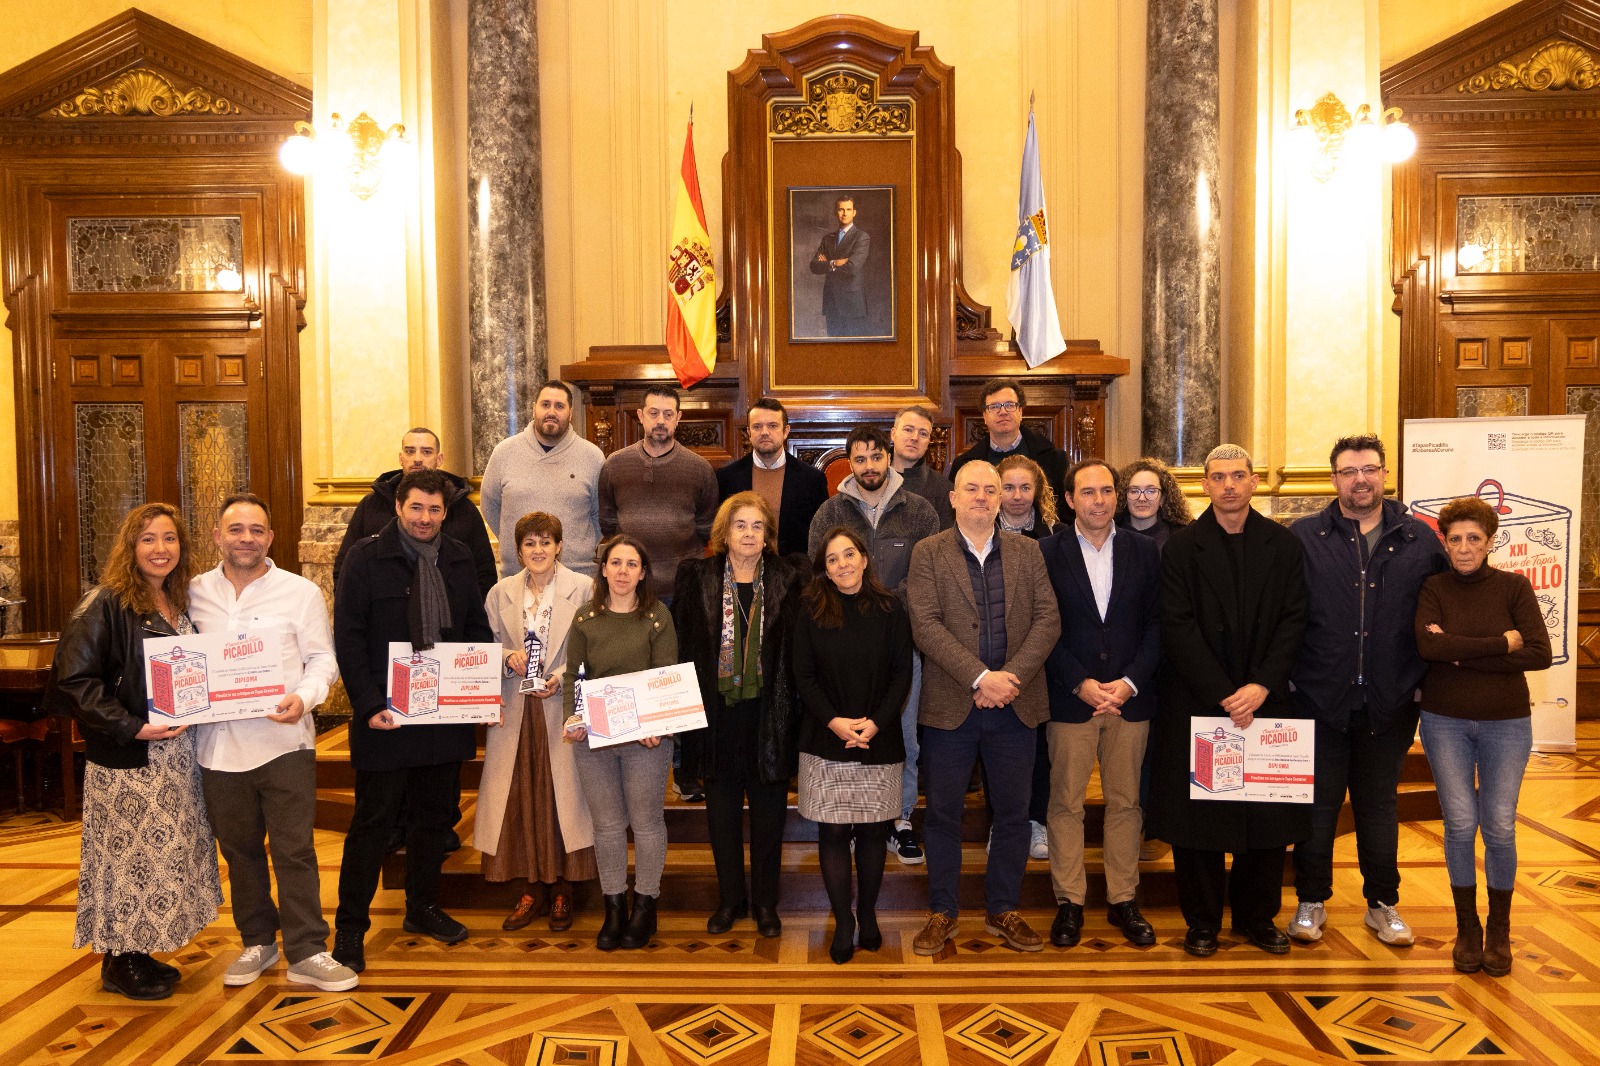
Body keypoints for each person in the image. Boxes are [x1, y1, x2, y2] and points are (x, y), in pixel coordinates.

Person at [45, 502, 222, 1000]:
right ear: (130, 546)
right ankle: (120, 961)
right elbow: (74, 682)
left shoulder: (177, 601)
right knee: (127, 860)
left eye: (169, 538)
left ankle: (138, 953)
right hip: (130, 757)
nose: (160, 549)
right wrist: (133, 727)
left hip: (176, 756)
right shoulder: (105, 602)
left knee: (163, 857)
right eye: (148, 539)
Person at [1146, 444, 1309, 958]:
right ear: (1205, 486)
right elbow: (1176, 626)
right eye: (1219, 477)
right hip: (1201, 701)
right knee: (1201, 819)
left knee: (1266, 815)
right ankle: (1202, 923)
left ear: (1254, 482)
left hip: (1266, 703)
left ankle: (1257, 918)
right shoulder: (1181, 548)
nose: (1230, 485)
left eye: (1239, 476)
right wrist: (1224, 693)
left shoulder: (1283, 545)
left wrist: (1261, 685)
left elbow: (1295, 620)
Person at [332, 469, 496, 973]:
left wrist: (478, 692)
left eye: (435, 509)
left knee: (435, 817)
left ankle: (422, 907)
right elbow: (348, 637)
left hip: (443, 714)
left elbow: (475, 630)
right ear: (399, 507)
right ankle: (351, 928)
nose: (426, 518)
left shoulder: (458, 557)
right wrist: (368, 705)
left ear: (446, 513)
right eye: (417, 508)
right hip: (386, 717)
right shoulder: (366, 558)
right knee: (373, 824)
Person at [189, 494, 355, 991]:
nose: (246, 538)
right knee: (239, 852)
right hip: (217, 747)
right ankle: (258, 942)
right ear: (218, 537)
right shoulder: (194, 592)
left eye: (256, 530)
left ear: (271, 538)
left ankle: (307, 950)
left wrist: (305, 698)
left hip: (284, 743)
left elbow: (323, 659)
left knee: (294, 850)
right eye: (236, 529)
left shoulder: (300, 592)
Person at [1287, 435, 1445, 948]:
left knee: (1378, 805)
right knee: (1318, 808)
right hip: (1319, 698)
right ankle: (1311, 900)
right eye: (1349, 471)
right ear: (1334, 479)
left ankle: (1382, 904)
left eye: (1370, 469)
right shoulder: (1305, 536)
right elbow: (1283, 613)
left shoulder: (1420, 540)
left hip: (1390, 700)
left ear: (1384, 475)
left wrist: (1423, 681)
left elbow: (1441, 615)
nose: (1361, 479)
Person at [906, 461, 1061, 954]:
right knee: (943, 814)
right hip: (951, 706)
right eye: (970, 489)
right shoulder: (928, 552)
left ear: (1000, 499)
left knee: (1013, 814)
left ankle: (1003, 909)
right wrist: (980, 677)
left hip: (1015, 704)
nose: (981, 497)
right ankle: (943, 911)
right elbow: (925, 625)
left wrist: (1008, 679)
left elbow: (1048, 620)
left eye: (989, 490)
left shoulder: (1028, 551)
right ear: (952, 498)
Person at [1415, 495, 1551, 977]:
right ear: (1445, 543)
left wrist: (1458, 653)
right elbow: (1428, 646)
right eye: (1455, 539)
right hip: (1444, 721)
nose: (1465, 547)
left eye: (1474, 538)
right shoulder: (1433, 586)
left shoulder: (1514, 587)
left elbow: (1538, 653)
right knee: (1458, 824)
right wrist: (1500, 645)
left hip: (1506, 724)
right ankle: (1467, 928)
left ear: (1491, 541)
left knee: (1498, 826)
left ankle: (1499, 930)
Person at [1038, 461, 1162, 948]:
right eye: (1088, 492)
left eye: (1107, 491)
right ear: (1070, 499)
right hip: (1072, 699)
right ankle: (1069, 901)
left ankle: (1122, 898)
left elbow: (1158, 623)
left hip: (1129, 700)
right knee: (1066, 802)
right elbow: (1039, 626)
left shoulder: (1143, 550)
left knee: (1126, 802)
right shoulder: (1046, 552)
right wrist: (1079, 682)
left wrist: (1129, 682)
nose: (1099, 500)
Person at [673, 493, 808, 937]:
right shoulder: (697, 576)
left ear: (768, 535)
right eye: (740, 525)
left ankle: (766, 904)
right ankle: (730, 900)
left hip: (772, 715)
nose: (748, 534)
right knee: (722, 820)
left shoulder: (790, 577)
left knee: (770, 819)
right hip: (717, 719)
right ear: (724, 532)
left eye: (757, 526)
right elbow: (681, 647)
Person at [808, 424, 939, 865]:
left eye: (876, 456)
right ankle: (851, 818)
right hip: (842, 644)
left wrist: (886, 609)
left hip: (901, 642)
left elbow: (928, 576)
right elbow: (818, 573)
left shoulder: (918, 510)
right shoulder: (829, 512)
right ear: (849, 463)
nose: (869, 466)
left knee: (903, 736)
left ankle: (899, 819)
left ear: (889, 456)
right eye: (859, 459)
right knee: (849, 731)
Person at [794, 527, 913, 963]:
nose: (842, 564)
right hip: (826, 738)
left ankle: (868, 913)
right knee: (833, 831)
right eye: (832, 559)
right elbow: (803, 675)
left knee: (873, 830)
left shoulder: (891, 608)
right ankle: (844, 920)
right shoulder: (810, 610)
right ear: (824, 570)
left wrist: (875, 724)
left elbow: (902, 673)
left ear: (864, 559)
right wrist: (836, 722)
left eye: (849, 555)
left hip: (878, 738)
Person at [478, 511, 597, 932]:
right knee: (521, 798)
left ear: (559, 546)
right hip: (517, 708)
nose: (538, 550)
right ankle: (530, 889)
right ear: (518, 550)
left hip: (561, 705)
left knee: (562, 797)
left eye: (546, 542)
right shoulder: (500, 592)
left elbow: (592, 647)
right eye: (530, 543)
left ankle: (563, 891)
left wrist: (560, 677)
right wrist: (505, 657)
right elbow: (485, 646)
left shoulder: (583, 588)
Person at [564, 535, 680, 951]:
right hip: (594, 739)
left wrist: (657, 722)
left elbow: (665, 675)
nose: (623, 572)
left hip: (646, 740)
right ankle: (613, 906)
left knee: (646, 823)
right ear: (603, 569)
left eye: (632, 564)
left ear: (643, 573)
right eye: (616, 563)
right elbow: (573, 677)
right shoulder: (585, 618)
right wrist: (572, 718)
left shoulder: (657, 617)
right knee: (608, 825)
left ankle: (645, 905)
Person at [333, 427, 498, 598]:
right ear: (401, 458)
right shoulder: (372, 505)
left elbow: (484, 574)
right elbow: (345, 569)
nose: (417, 459)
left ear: (439, 459)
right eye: (410, 451)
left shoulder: (464, 509)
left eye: (426, 452)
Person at [598, 385, 718, 602]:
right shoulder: (615, 464)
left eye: (668, 414)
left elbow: (706, 527)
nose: (660, 421)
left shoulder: (699, 468)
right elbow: (608, 523)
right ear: (640, 415)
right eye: (653, 413)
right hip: (630, 587)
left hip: (682, 588)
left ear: (678, 418)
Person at [481, 380, 605, 577]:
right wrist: (518, 545)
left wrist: (577, 548)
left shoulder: (593, 457)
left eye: (559, 406)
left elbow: (601, 516)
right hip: (517, 576)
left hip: (577, 577)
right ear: (534, 409)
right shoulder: (504, 453)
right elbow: (491, 507)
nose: (551, 412)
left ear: (570, 414)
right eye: (545, 404)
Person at [716, 398, 828, 558]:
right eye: (757, 426)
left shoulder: (812, 479)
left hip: (795, 571)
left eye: (772, 426)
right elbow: (721, 533)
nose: (764, 432)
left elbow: (822, 535)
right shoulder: (727, 477)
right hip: (742, 568)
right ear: (748, 432)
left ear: (786, 431)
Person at [948, 379, 1067, 514]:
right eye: (994, 407)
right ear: (984, 416)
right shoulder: (963, 465)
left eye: (1010, 405)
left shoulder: (1055, 459)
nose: (1003, 412)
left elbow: (1064, 514)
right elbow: (956, 513)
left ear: (1020, 412)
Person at [809, 194, 871, 336]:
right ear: (835, 212)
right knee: (833, 345)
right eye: (841, 209)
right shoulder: (828, 238)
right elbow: (814, 266)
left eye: (848, 209)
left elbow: (852, 268)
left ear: (854, 212)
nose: (844, 213)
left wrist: (827, 264)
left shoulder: (862, 237)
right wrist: (835, 262)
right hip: (831, 303)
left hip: (852, 304)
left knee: (853, 347)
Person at [890, 404, 954, 528]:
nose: (915, 438)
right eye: (908, 430)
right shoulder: (871, 480)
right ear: (893, 434)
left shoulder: (944, 490)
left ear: (929, 441)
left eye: (923, 433)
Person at [1116, 457, 1193, 552]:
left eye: (1151, 491)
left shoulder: (1181, 537)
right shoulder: (1111, 534)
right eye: (1134, 491)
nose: (1142, 498)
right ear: (1124, 496)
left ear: (1163, 498)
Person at [996, 454, 1066, 540]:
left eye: (1025, 488)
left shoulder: (1058, 533)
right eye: (1009, 488)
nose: (1017, 496)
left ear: (1036, 490)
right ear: (997, 490)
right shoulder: (983, 530)